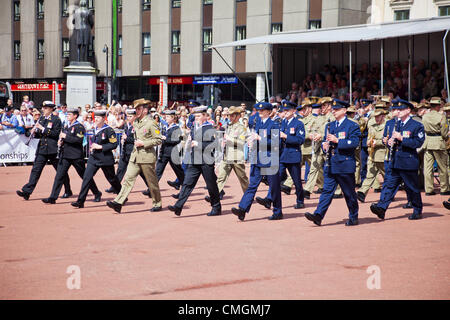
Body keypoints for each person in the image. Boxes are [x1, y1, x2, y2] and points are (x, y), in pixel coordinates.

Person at [304, 99, 361, 226]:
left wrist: (337, 141)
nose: (334, 112)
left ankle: (353, 216)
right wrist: (325, 146)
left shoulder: (352, 125)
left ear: (344, 111)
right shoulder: (330, 125)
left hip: (345, 164)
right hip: (331, 163)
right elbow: (327, 141)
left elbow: (354, 143)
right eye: (333, 110)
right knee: (327, 191)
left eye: (337, 109)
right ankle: (318, 215)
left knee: (349, 193)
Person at [370, 99, 425, 221]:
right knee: (389, 185)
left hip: (408, 161)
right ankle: (382, 208)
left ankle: (417, 209)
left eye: (401, 109)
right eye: (397, 110)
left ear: (408, 110)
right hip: (394, 161)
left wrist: (402, 139)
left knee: (412, 187)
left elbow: (418, 142)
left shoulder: (416, 125)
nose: (398, 112)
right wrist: (388, 142)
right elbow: (389, 139)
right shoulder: (394, 124)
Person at [106, 99, 163, 213]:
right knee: (128, 179)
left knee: (152, 182)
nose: (136, 111)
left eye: (139, 109)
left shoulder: (151, 123)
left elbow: (158, 139)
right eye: (136, 109)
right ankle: (118, 202)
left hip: (146, 157)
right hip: (135, 156)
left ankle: (157, 203)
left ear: (145, 110)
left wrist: (144, 143)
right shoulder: (136, 122)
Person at [231, 102, 283, 221]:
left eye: (262, 110)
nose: (259, 112)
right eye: (259, 110)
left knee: (274, 187)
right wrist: (252, 142)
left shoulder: (274, 125)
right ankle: (242, 209)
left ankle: (277, 211)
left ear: (269, 112)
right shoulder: (258, 123)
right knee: (252, 186)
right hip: (258, 159)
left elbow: (276, 144)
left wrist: (260, 138)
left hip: (270, 159)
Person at [168, 105, 222, 217]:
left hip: (206, 160)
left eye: (198, 116)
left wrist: (199, 144)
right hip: (194, 160)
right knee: (187, 183)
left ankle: (216, 207)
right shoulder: (194, 127)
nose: (196, 118)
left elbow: (214, 144)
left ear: (205, 116)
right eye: (195, 115)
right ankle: (178, 206)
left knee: (211, 184)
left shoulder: (209, 128)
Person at [42, 107, 102, 204]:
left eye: (70, 114)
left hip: (76, 156)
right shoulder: (66, 126)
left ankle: (96, 192)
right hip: (65, 155)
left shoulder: (79, 127)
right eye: (67, 114)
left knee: (84, 176)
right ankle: (53, 197)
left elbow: (78, 140)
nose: (67, 116)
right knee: (59, 176)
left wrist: (66, 137)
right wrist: (61, 141)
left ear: (75, 116)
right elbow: (64, 137)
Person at [256, 100, 306, 210]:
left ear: (293, 111)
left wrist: (286, 137)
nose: (286, 112)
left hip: (293, 155)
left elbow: (300, 140)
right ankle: (269, 199)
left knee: (296, 180)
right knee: (275, 179)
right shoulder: (281, 123)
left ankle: (300, 200)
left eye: (288, 110)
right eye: (284, 110)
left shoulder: (299, 124)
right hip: (282, 155)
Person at [17, 101, 71, 200]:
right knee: (36, 170)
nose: (43, 110)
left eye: (45, 108)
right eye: (43, 108)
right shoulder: (41, 119)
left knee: (60, 171)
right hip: (42, 148)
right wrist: (34, 132)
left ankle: (68, 190)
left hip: (53, 149)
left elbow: (55, 133)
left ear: (51, 109)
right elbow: (40, 134)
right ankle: (27, 191)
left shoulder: (56, 119)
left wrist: (42, 128)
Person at [71, 109, 122, 208]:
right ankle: (80, 201)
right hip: (93, 158)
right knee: (86, 178)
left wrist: (101, 147)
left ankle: (121, 195)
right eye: (95, 117)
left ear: (103, 118)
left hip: (105, 159)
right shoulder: (94, 128)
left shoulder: (109, 130)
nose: (96, 119)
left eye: (98, 118)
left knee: (112, 179)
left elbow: (114, 144)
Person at [205, 106, 249, 203]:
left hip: (236, 157)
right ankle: (214, 195)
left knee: (242, 178)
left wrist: (230, 139)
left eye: (232, 115)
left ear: (238, 116)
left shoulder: (242, 128)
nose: (230, 117)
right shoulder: (228, 126)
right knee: (221, 177)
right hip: (227, 155)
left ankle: (248, 195)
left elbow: (242, 143)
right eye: (229, 115)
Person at [357, 109, 388, 202]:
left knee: (387, 176)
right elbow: (370, 137)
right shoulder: (372, 126)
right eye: (375, 117)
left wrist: (377, 142)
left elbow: (387, 140)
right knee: (370, 175)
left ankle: (389, 193)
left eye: (378, 116)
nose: (376, 118)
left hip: (383, 155)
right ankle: (362, 193)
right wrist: (368, 142)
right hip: (372, 154)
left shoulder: (387, 126)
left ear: (383, 116)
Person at [422, 97, 450, 195]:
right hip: (439, 142)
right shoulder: (441, 117)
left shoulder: (425, 116)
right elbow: (444, 133)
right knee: (443, 167)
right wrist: (446, 137)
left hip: (428, 142)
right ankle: (444, 188)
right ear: (438, 106)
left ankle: (429, 189)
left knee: (428, 168)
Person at [155, 109, 185, 186]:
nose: (166, 118)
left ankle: (185, 187)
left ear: (172, 118)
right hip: (164, 152)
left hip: (172, 153)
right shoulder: (166, 127)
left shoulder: (176, 128)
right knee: (158, 171)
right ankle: (151, 190)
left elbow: (177, 140)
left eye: (168, 116)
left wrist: (166, 139)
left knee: (179, 172)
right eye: (166, 116)